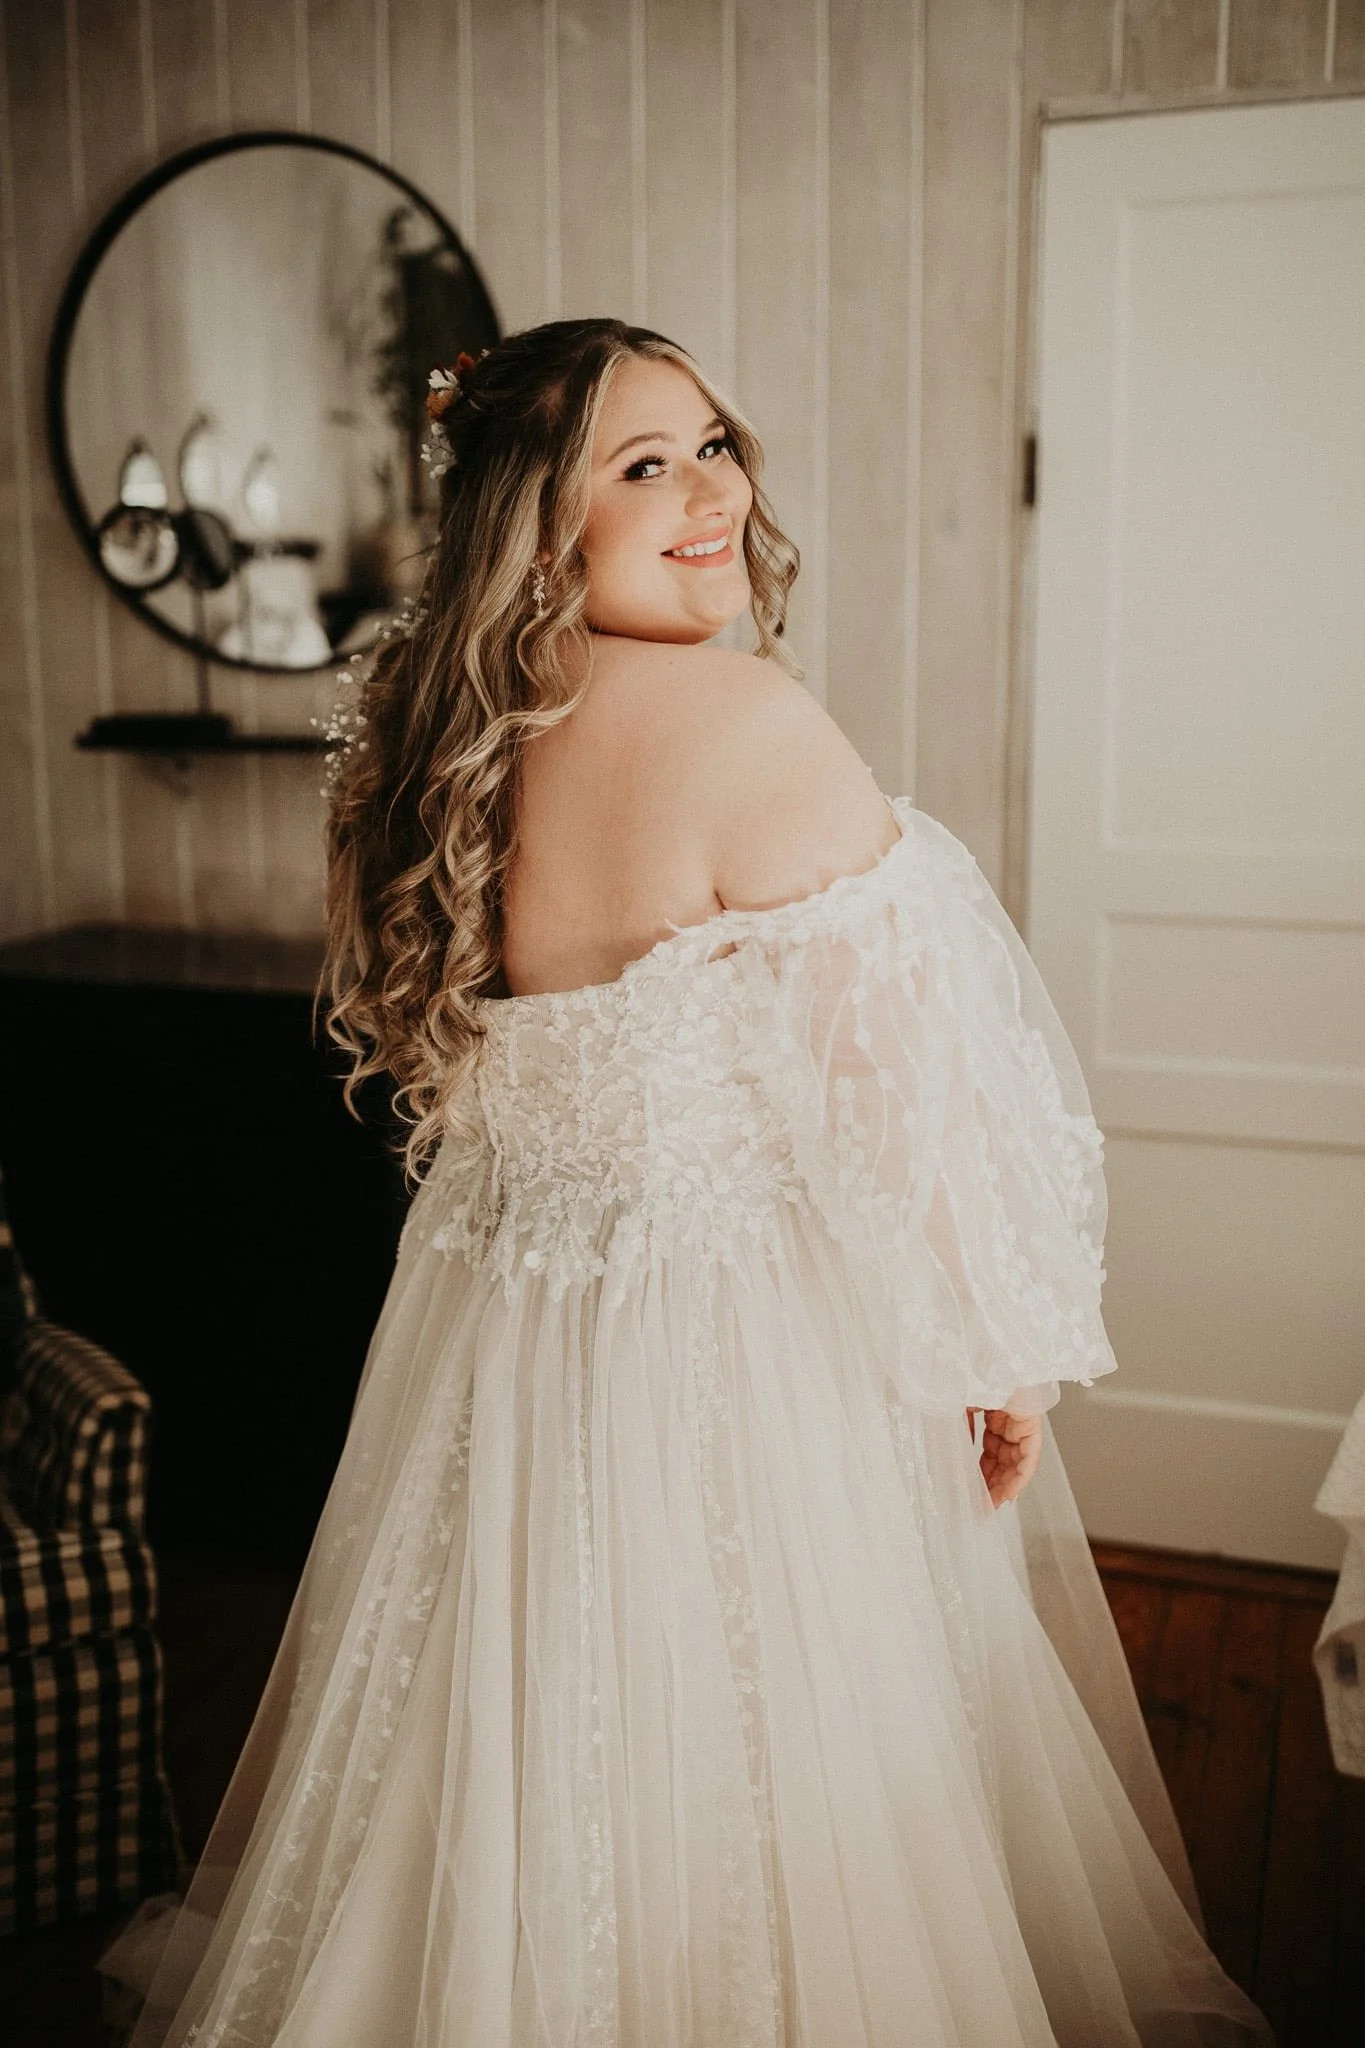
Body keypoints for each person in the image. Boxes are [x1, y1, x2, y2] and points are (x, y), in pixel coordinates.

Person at [113, 319, 1273, 2045]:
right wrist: (998, 1349)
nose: (709, 492)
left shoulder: (444, 741)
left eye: (714, 443)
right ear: (537, 522)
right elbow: (907, 1104)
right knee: (754, 1763)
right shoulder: (746, 723)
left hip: (496, 1347)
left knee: (490, 1738)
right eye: (640, 467)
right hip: (726, 1358)